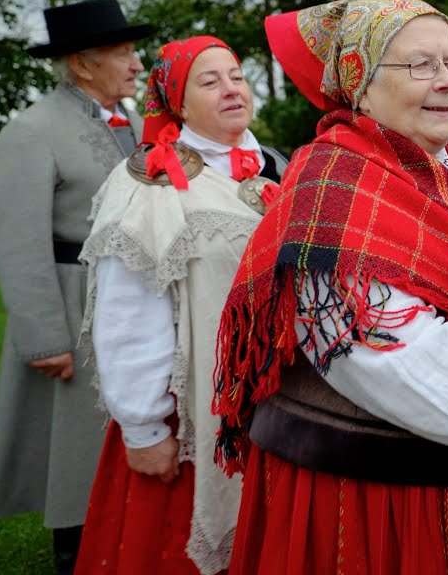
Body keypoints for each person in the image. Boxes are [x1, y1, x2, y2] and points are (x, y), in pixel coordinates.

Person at [213, 0, 448, 574]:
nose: (446, 81)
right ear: (360, 82)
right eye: (421, 65)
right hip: (373, 506)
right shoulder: (333, 190)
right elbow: (414, 372)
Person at [73, 36, 287, 574]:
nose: (231, 88)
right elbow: (128, 315)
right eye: (209, 81)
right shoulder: (151, 183)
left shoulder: (277, 167)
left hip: (279, 412)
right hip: (191, 423)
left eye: (236, 76)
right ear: (178, 102)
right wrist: (145, 429)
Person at [0, 0, 152, 575]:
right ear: (82, 63)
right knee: (76, 440)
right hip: (74, 302)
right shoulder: (31, 131)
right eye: (124, 52)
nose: (136, 63)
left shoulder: (138, 126)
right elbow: (18, 242)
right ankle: (76, 549)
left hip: (137, 300)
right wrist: (44, 336)